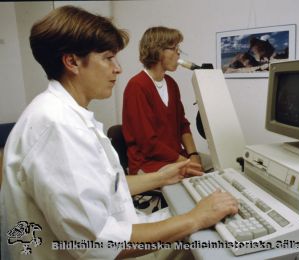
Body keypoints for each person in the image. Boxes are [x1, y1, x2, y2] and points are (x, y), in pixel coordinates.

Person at [0, 6, 238, 259]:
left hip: (117, 226)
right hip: (97, 248)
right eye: (107, 57)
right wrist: (195, 219)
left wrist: (162, 177)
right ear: (72, 62)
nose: (118, 68)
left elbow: (103, 186)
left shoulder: (67, 115)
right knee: (205, 244)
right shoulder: (58, 127)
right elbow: (99, 244)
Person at [122, 26, 203, 174]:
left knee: (213, 167)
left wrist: (193, 155)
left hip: (174, 158)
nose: (178, 53)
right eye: (174, 48)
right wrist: (185, 162)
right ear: (157, 51)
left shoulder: (171, 84)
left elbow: (182, 125)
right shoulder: (136, 86)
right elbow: (148, 143)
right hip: (148, 163)